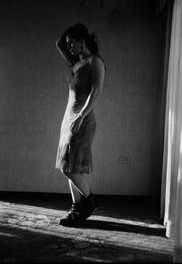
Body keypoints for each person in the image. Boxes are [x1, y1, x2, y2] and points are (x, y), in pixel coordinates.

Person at [55, 23, 106, 226]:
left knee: (68, 167)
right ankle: (77, 210)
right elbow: (58, 43)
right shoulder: (77, 62)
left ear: (81, 40)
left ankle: (89, 201)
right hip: (69, 119)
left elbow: (96, 92)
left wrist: (81, 116)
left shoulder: (95, 61)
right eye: (68, 44)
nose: (69, 48)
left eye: (72, 43)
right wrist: (70, 34)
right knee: (71, 165)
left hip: (82, 120)